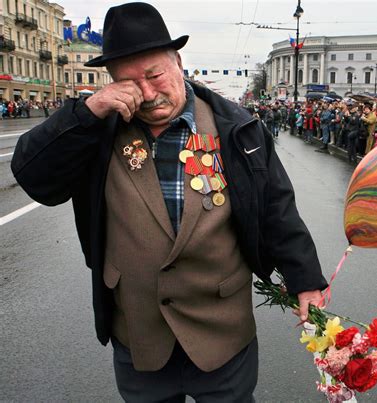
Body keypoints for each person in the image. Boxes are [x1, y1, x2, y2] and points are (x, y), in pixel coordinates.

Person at [11, 3, 327, 402]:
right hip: (140, 336)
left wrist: (307, 281)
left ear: (178, 61)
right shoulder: (97, 130)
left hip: (222, 334)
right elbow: (35, 178)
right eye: (127, 82)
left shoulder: (238, 128)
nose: (145, 93)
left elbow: (277, 210)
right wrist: (88, 111)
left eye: (154, 75)